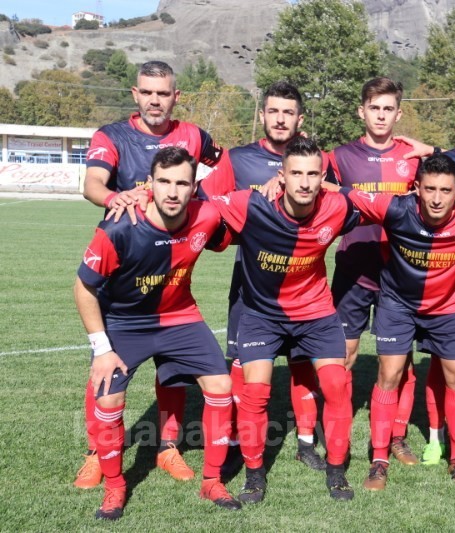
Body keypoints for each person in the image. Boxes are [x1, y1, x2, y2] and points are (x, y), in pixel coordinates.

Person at [75, 60, 228, 489]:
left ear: (176, 96)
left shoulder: (195, 135)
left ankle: (168, 447)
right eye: (147, 92)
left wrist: (208, 200)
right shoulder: (112, 135)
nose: (155, 100)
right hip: (125, 266)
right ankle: (97, 453)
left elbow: (226, 165)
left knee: (172, 371)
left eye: (163, 93)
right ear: (135, 94)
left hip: (173, 269)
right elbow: (92, 185)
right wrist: (117, 199)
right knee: (105, 372)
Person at [336, 153, 455, 492]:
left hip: (446, 307)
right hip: (397, 306)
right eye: (429, 189)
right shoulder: (394, 209)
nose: (437, 199)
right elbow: (341, 191)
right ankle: (379, 461)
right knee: (389, 375)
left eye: (445, 190)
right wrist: (285, 182)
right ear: (416, 189)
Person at [207, 137, 360, 502]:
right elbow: (194, 202)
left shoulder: (337, 206)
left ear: (323, 178)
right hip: (262, 315)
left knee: (337, 385)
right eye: (296, 174)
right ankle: (254, 474)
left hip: (316, 314)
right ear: (282, 175)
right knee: (255, 393)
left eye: (312, 175)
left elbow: (384, 204)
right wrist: (138, 195)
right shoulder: (250, 204)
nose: (304, 183)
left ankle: (336, 470)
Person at [198, 81, 329, 472]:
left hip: (305, 284)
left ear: (300, 119)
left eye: (288, 112)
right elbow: (207, 205)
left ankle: (306, 443)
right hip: (253, 282)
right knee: (242, 362)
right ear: (262, 115)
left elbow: (341, 195)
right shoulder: (238, 159)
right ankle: (238, 440)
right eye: (274, 111)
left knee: (303, 364)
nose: (280, 119)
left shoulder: (317, 159)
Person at [326, 77, 421, 465]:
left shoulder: (414, 157)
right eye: (374, 108)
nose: (381, 115)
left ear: (398, 113)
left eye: (388, 109)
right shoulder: (339, 157)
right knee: (343, 355)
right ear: (361, 111)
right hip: (353, 267)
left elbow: (450, 181)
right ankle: (339, 432)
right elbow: (306, 182)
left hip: (400, 271)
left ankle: (397, 436)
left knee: (399, 361)